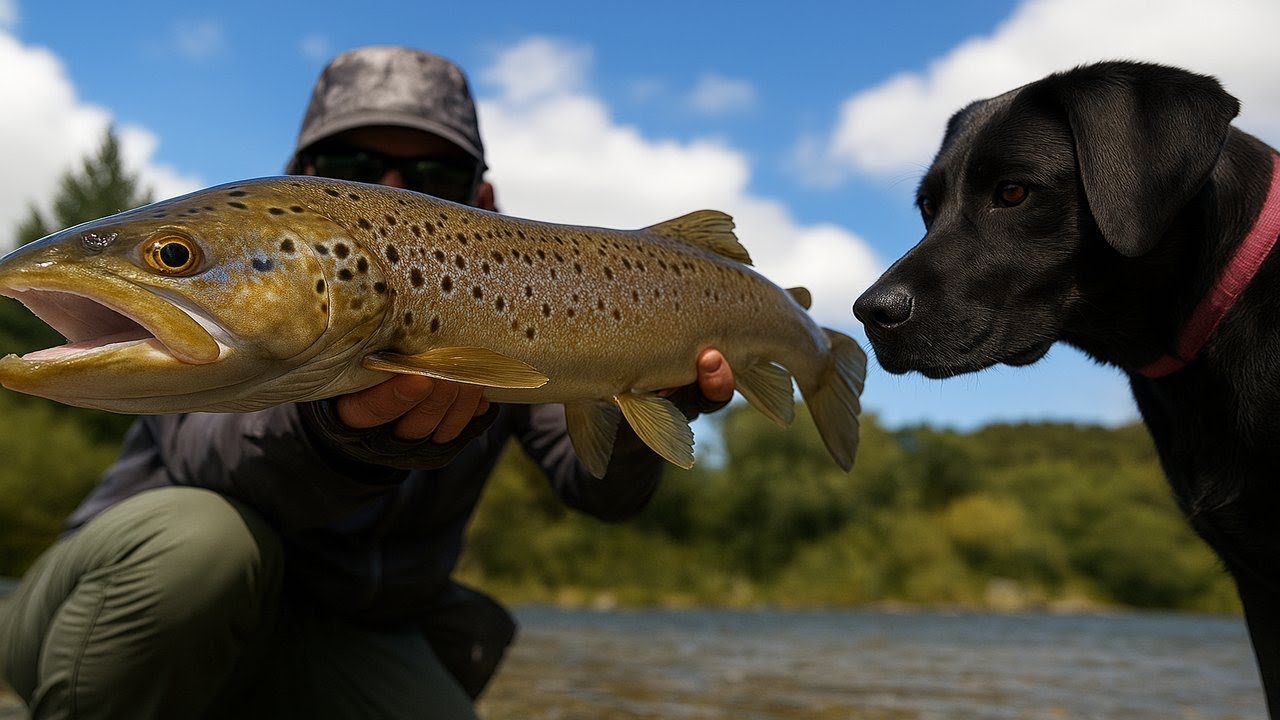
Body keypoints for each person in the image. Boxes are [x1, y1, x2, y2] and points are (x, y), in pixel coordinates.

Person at [0, 46, 735, 720]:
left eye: (433, 178)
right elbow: (213, 458)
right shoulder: (193, 346)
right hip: (124, 610)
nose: (392, 191)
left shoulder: (522, 312)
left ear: (481, 195)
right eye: (353, 164)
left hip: (347, 633)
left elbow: (597, 486)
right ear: (302, 175)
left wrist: (663, 397)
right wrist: (340, 438)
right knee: (205, 546)